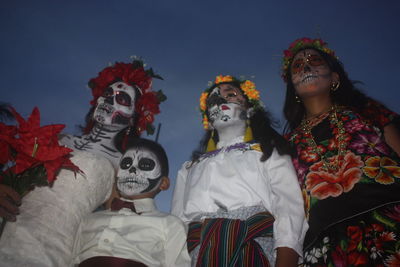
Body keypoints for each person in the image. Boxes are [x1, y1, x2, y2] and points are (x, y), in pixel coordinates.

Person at [0, 59, 165, 266]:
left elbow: (116, 225)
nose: (109, 101)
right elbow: (14, 175)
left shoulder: (122, 166)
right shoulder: (57, 139)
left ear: (133, 118)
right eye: (107, 94)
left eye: (121, 99)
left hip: (49, 252)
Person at [281, 37, 400, 266]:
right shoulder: (286, 145)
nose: (306, 67)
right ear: (293, 88)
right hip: (327, 249)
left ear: (335, 77)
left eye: (315, 61)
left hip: (390, 226)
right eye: (297, 65)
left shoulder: (368, 112)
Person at [171, 75, 308, 267]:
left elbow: (289, 208)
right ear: (208, 121)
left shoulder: (268, 153)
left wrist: (286, 259)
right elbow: (177, 225)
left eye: (231, 94)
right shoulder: (189, 168)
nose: (221, 100)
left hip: (255, 249)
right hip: (198, 255)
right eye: (214, 99)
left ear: (249, 109)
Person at [73, 138, 191, 267]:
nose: (132, 170)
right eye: (126, 164)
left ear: (163, 183)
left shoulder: (170, 224)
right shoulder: (89, 219)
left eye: (145, 165)